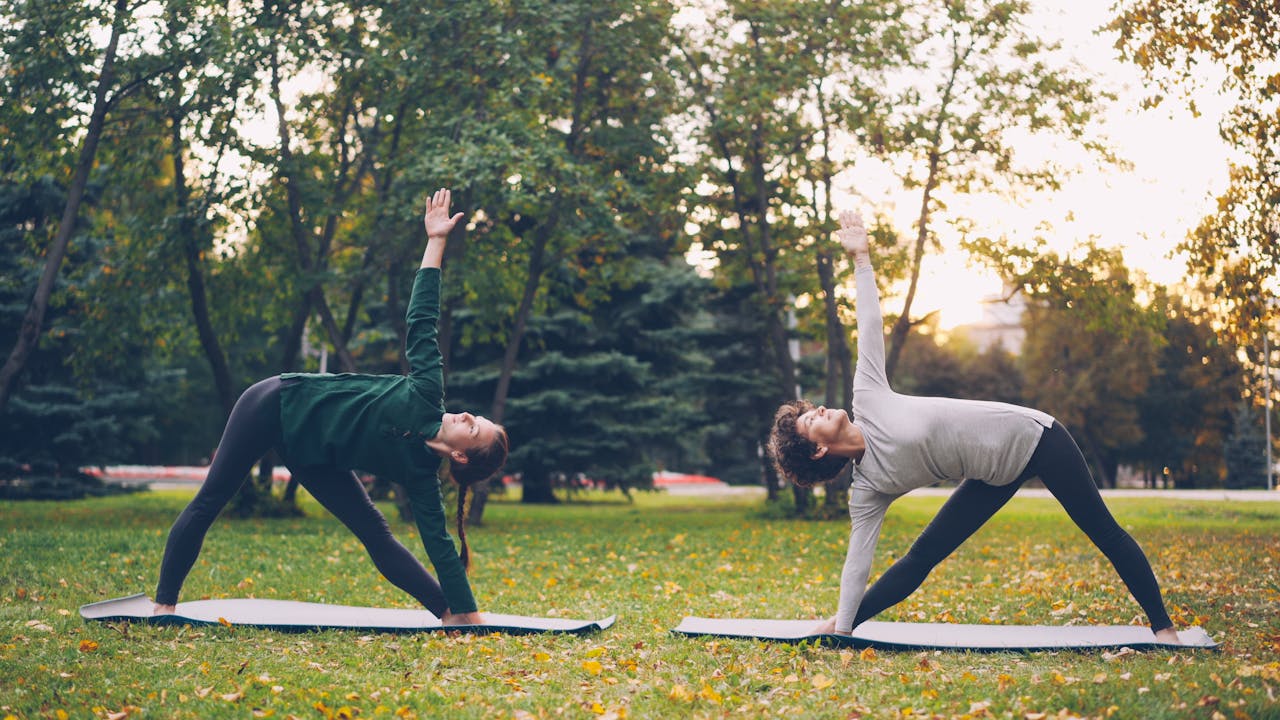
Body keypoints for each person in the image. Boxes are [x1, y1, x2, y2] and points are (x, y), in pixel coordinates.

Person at [767, 209, 1180, 644]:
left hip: (1037, 439)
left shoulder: (868, 396)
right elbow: (858, 562)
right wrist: (844, 627)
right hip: (992, 475)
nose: (820, 410)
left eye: (813, 408)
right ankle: (841, 627)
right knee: (922, 556)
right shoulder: (868, 490)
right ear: (817, 451)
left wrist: (862, 260)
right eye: (812, 420)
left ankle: (1164, 629)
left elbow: (869, 324)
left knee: (1103, 531)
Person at [153, 188, 508, 627]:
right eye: (477, 418)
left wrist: (467, 616)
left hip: (316, 457)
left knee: (376, 534)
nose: (468, 416)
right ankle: (163, 606)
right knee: (212, 499)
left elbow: (439, 545)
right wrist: (435, 241)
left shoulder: (420, 475)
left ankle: (448, 613)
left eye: (474, 430)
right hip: (276, 405)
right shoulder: (427, 390)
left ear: (459, 455)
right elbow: (422, 318)